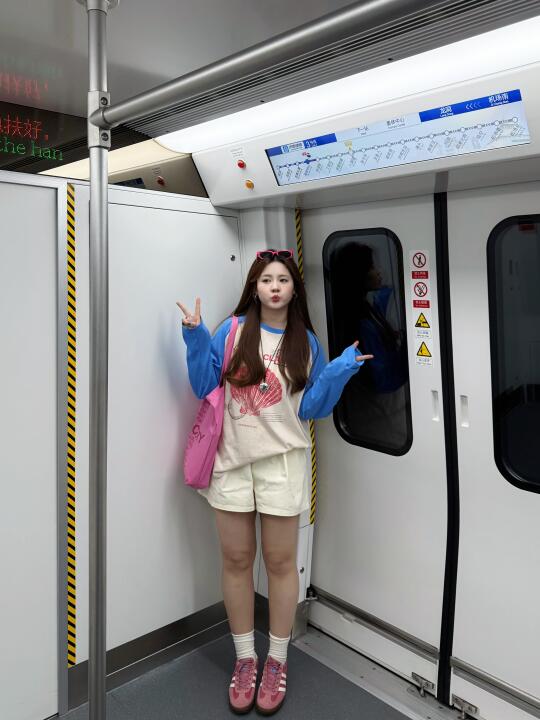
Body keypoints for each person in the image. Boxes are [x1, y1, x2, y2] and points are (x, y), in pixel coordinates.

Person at [177, 248, 372, 716]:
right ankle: (246, 659)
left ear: (294, 290)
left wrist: (340, 369)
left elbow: (312, 407)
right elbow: (203, 385)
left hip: (283, 464)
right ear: (255, 287)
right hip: (232, 462)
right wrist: (195, 336)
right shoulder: (231, 330)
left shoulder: (307, 342)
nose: (275, 287)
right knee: (236, 560)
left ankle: (276, 662)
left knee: (281, 564)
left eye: (283, 280)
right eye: (267, 279)